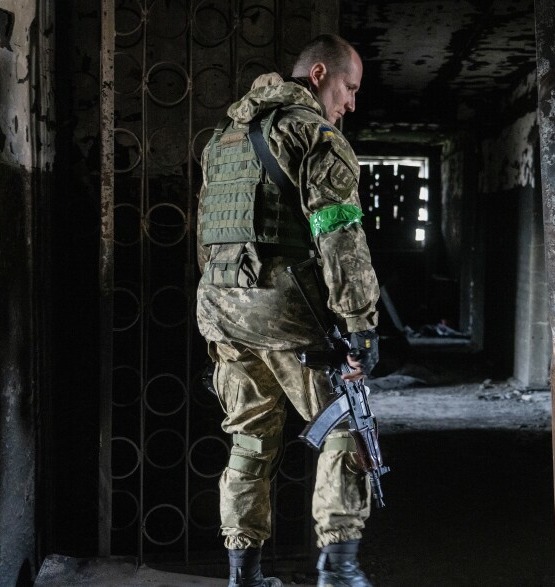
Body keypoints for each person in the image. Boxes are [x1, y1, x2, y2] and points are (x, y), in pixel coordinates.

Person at [195, 34, 380, 587]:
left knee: (249, 441)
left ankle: (242, 576)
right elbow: (340, 238)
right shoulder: (314, 136)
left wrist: (218, 310)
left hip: (224, 311)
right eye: (348, 89)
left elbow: (208, 241)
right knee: (346, 424)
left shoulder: (221, 140)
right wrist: (361, 325)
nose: (350, 104)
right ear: (319, 73)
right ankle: (339, 571)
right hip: (288, 314)